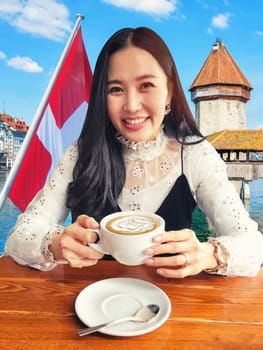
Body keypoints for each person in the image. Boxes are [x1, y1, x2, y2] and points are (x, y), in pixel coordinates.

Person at [4, 27, 263, 277]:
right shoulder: (80, 154)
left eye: (146, 85)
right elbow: (19, 237)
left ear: (169, 92)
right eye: (116, 89)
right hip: (85, 306)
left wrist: (209, 254)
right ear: (101, 98)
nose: (131, 106)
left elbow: (253, 244)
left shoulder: (195, 154)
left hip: (170, 307)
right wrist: (55, 243)